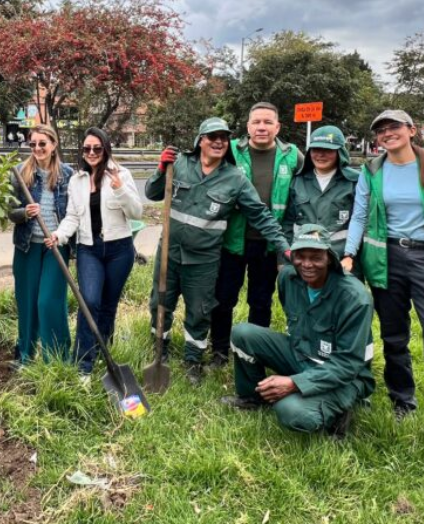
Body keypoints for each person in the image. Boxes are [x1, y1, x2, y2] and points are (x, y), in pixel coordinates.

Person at [342, 109, 424, 470]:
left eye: (393, 127)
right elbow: (359, 213)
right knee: (394, 338)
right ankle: (403, 402)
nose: (387, 133)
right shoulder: (372, 171)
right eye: (380, 130)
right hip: (385, 261)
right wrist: (350, 254)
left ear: (411, 130)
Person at [146, 117, 292, 385]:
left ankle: (193, 359)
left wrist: (283, 246)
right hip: (169, 252)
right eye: (212, 137)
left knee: (200, 310)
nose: (218, 142)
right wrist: (160, 168)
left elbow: (260, 215)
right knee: (160, 303)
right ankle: (160, 351)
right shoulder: (179, 165)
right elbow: (153, 194)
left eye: (223, 138)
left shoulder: (235, 179)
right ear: (200, 141)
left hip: (203, 260)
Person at [220, 224, 375, 437]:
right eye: (300, 256)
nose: (307, 264)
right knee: (243, 334)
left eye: (316, 257)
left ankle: (340, 413)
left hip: (346, 374)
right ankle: (251, 398)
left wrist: (294, 383)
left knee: (291, 411)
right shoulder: (288, 278)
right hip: (302, 353)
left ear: (329, 258)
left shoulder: (355, 298)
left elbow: (349, 364)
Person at [208, 102, 304, 368]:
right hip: (233, 242)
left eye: (267, 122)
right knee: (224, 298)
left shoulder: (293, 156)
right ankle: (219, 350)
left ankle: (253, 352)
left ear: (277, 126)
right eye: (257, 122)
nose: (262, 127)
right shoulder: (232, 153)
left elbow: (304, 194)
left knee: (260, 301)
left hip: (270, 246)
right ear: (248, 126)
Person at [52, 127, 143, 380]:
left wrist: (119, 189)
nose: (91, 153)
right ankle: (83, 364)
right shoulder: (77, 180)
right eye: (87, 149)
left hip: (119, 250)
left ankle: (104, 355)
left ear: (105, 149)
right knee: (89, 302)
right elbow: (72, 216)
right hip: (89, 250)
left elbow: (137, 213)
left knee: (107, 306)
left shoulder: (121, 174)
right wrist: (59, 235)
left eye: (97, 148)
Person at [9, 125, 73, 366]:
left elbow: (73, 213)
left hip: (55, 246)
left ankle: (57, 358)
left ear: (53, 145)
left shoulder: (67, 174)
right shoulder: (19, 172)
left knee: (48, 301)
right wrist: (24, 212)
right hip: (27, 247)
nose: (37, 148)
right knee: (26, 301)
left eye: (42, 144)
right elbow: (10, 212)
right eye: (33, 144)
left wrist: (60, 235)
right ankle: (25, 355)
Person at [282, 125, 358, 263]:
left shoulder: (355, 182)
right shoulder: (297, 181)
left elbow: (362, 223)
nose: (321, 155)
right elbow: (288, 222)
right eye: (316, 149)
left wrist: (350, 256)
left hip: (341, 259)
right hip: (303, 259)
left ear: (340, 152)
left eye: (328, 150)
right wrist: (285, 258)